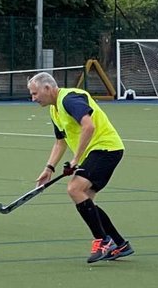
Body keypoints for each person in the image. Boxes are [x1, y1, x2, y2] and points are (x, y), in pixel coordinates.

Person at [26, 71, 133, 263]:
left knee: (74, 189)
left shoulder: (69, 99)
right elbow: (60, 142)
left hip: (105, 148)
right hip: (96, 151)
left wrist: (75, 159)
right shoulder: (54, 109)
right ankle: (120, 244)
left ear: (48, 88)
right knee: (87, 199)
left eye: (35, 93)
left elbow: (88, 126)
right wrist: (49, 168)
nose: (32, 98)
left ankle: (102, 240)